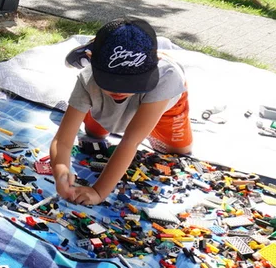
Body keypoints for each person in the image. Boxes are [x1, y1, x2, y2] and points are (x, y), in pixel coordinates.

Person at [50, 18, 191, 207]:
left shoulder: (165, 79)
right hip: (102, 85)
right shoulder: (88, 77)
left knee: (178, 151)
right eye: (111, 82)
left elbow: (130, 141)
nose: (120, 90)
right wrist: (60, 168)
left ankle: (157, 56)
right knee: (94, 135)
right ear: (93, 64)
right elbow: (63, 140)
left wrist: (98, 191)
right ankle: (101, 49)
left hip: (164, 103)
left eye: (130, 83)